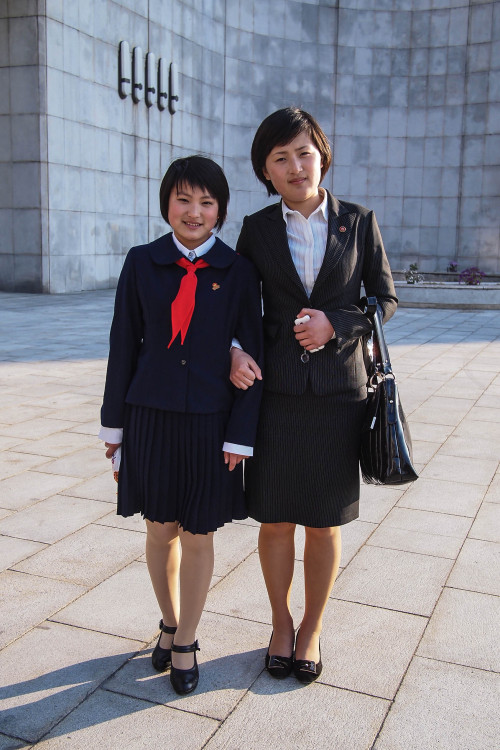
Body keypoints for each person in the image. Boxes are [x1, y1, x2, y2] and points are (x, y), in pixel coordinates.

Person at [230, 107, 397, 683]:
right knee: (274, 520)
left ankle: (313, 627)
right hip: (274, 398)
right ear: (266, 172)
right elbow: (234, 305)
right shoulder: (256, 230)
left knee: (325, 524)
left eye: (304, 152)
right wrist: (232, 349)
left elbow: (384, 299)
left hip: (336, 397)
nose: (296, 166)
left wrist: (337, 324)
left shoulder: (358, 221)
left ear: (322, 154)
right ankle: (280, 623)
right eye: (281, 158)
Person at [99, 155, 263, 696]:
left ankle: (188, 639)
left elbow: (252, 355)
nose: (194, 212)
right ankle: (168, 620)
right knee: (158, 529)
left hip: (211, 426)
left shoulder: (238, 273)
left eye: (207, 203)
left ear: (221, 211)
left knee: (197, 533)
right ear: (167, 202)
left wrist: (241, 433)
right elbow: (123, 345)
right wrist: (114, 431)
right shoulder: (141, 262)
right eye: (184, 200)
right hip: (150, 418)